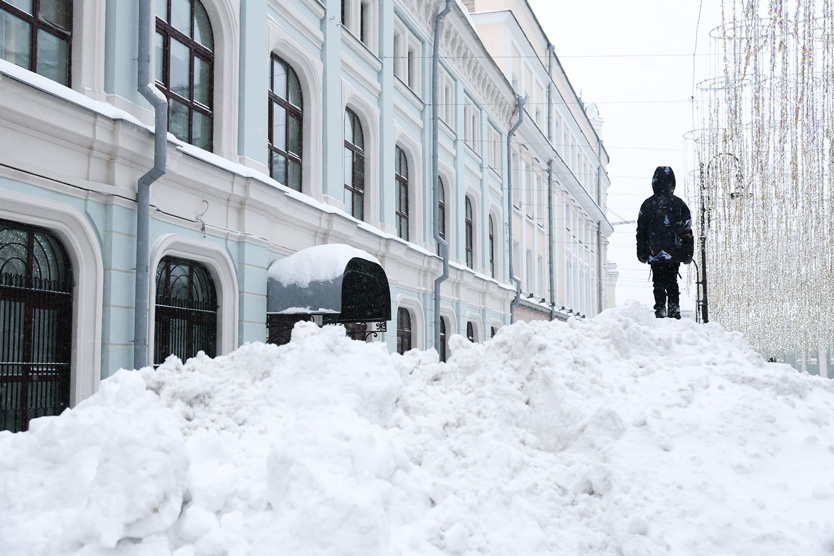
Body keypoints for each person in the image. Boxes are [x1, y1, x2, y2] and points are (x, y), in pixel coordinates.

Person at [636, 166, 694, 319]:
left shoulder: (647, 204)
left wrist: (642, 251)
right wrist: (688, 252)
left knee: (658, 282)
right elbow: (687, 230)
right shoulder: (679, 204)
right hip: (674, 252)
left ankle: (660, 308)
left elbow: (641, 232)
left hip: (655, 252)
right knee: (672, 281)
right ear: (672, 183)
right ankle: (674, 308)